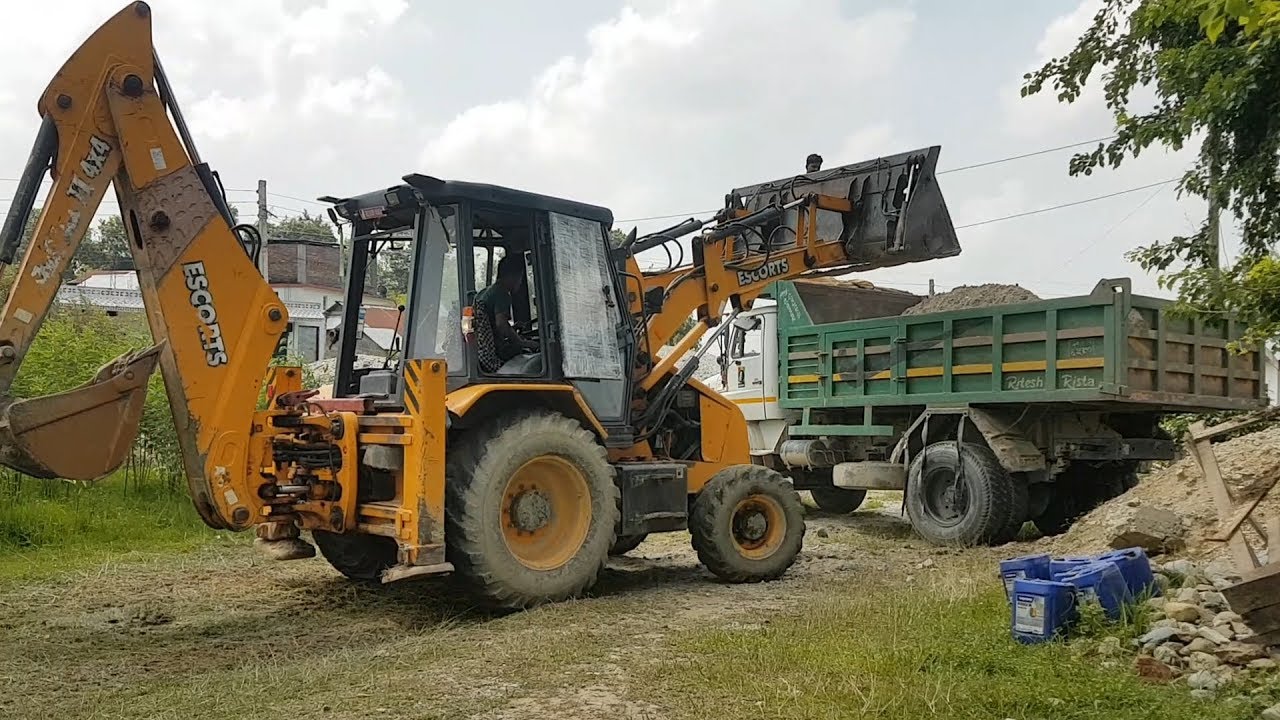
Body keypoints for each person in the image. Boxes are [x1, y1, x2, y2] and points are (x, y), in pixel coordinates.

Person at [475, 253, 539, 363]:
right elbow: (501, 325)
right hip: (495, 351)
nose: (520, 283)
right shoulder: (502, 293)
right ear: (512, 276)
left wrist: (513, 328)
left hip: (481, 349)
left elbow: (491, 327)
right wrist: (523, 343)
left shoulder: (485, 292)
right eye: (520, 277)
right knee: (535, 356)